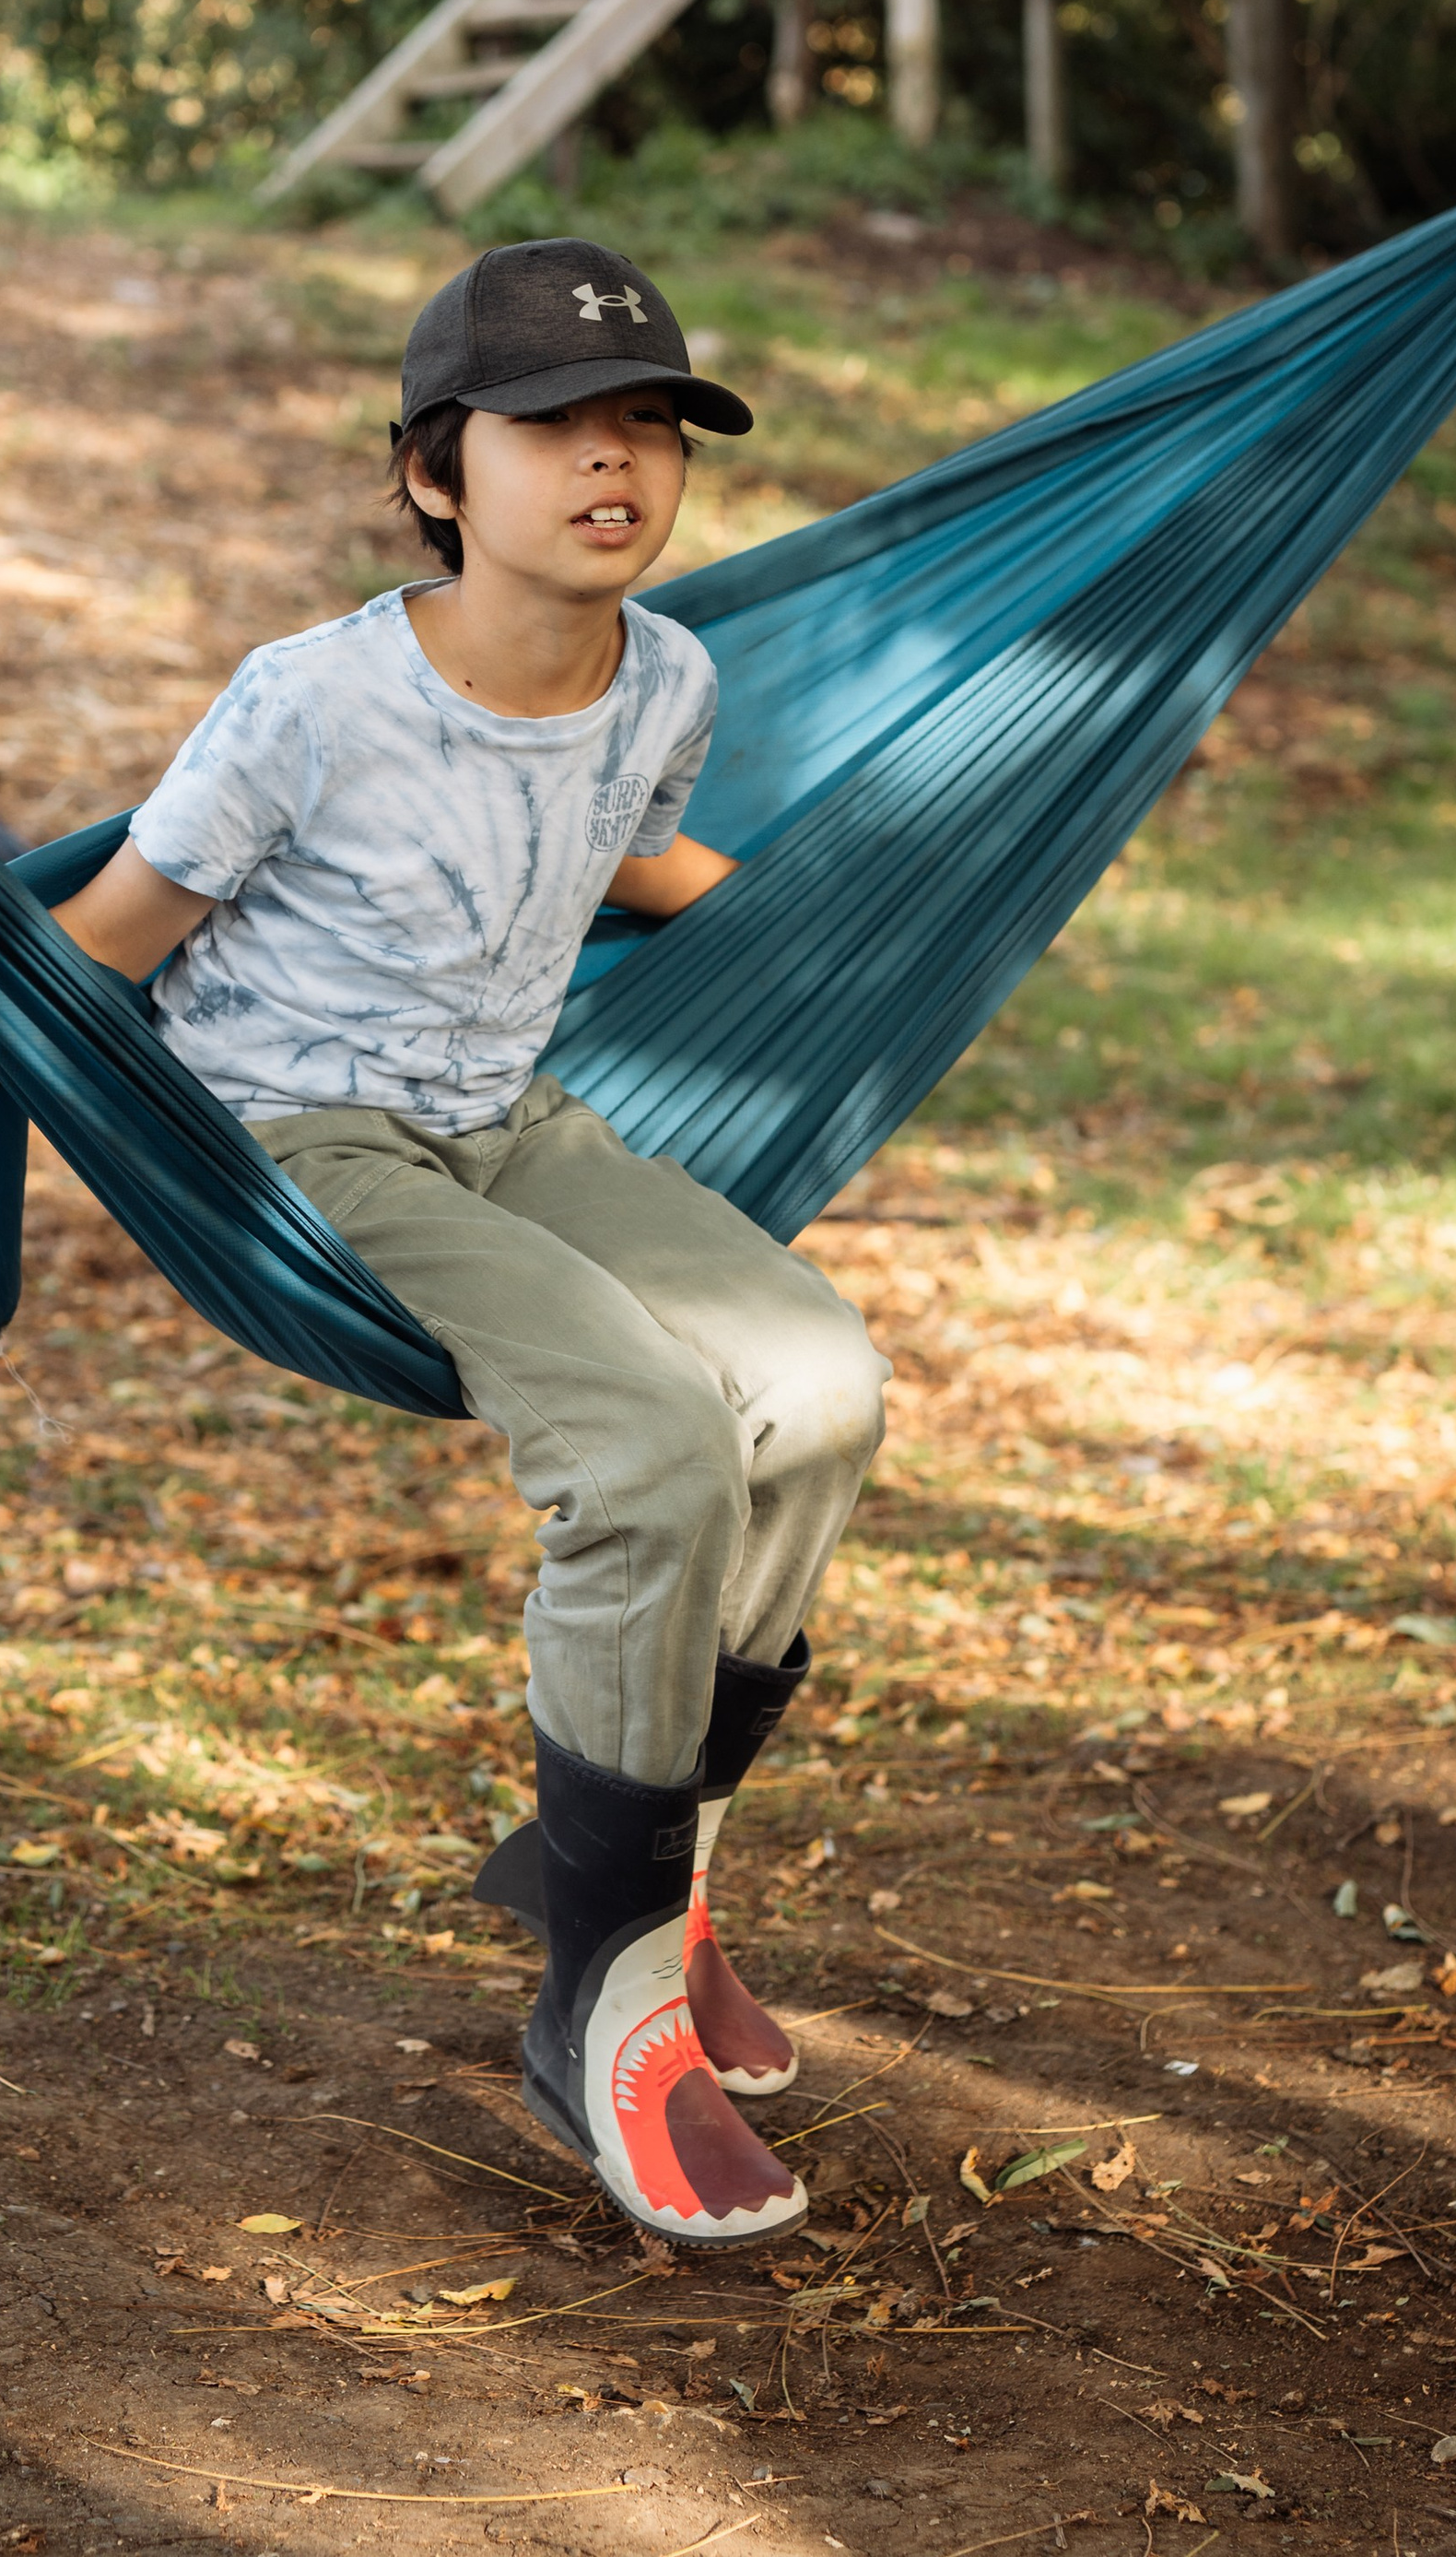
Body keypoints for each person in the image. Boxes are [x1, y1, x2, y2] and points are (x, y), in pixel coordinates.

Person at [53, 238, 888, 2245]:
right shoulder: (307, 705)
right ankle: (592, 2003)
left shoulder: (664, 671)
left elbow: (611, 838)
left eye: (648, 428)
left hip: (507, 1119)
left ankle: (643, 1894)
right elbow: (96, 955)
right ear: (435, 470)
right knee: (646, 1453)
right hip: (306, 1140)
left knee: (818, 1390)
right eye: (551, 428)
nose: (611, 464)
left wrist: (844, 929)